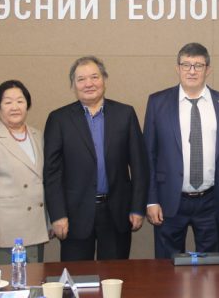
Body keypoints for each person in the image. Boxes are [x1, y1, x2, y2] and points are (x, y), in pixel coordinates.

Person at [44, 56, 148, 261]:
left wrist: (138, 207)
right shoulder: (59, 119)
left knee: (115, 275)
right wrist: (57, 214)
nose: (89, 83)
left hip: (117, 212)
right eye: (81, 79)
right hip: (74, 215)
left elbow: (139, 166)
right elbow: (51, 173)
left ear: (104, 79)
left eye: (94, 77)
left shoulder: (125, 114)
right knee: (76, 276)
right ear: (73, 85)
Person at [144, 42, 219, 258]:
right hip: (169, 199)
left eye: (198, 65)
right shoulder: (157, 102)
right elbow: (148, 155)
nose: (192, 71)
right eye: (186, 65)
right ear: (177, 68)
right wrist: (151, 199)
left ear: (208, 70)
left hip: (212, 200)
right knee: (167, 267)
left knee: (212, 267)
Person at [0, 80, 50, 265]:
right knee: (4, 281)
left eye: (20, 101)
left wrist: (50, 220)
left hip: (35, 227)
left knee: (33, 280)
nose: (15, 107)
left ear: (27, 105)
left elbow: (47, 181)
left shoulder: (38, 136)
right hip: (3, 233)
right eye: (8, 102)